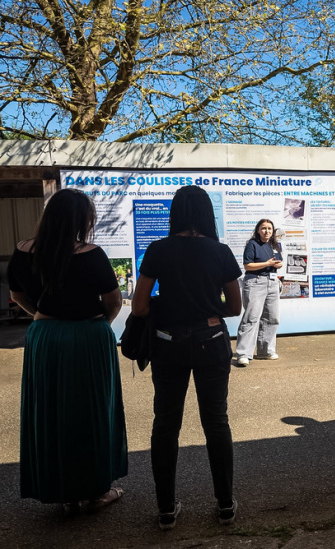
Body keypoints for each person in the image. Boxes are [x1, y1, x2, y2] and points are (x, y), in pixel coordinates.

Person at [7, 188, 127, 514]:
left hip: (44, 336)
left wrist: (43, 314)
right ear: (81, 220)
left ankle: (62, 491)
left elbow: (17, 296)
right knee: (92, 411)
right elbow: (114, 302)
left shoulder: (23, 250)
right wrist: (98, 325)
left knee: (51, 410)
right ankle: (97, 491)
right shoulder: (91, 254)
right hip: (88, 336)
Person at [132, 186, 243, 530]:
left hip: (169, 344)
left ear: (175, 213)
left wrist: (169, 306)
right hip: (211, 340)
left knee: (166, 424)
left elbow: (139, 307)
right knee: (216, 421)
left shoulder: (158, 249)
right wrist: (208, 307)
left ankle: (166, 510)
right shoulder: (220, 251)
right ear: (207, 214)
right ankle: (225, 505)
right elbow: (235, 307)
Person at [235, 219, 284, 366]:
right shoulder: (252, 244)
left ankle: (265, 351)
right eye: (263, 228)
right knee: (251, 318)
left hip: (272, 282)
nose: (267, 231)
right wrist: (267, 263)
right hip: (255, 282)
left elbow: (279, 261)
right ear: (258, 230)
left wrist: (279, 264)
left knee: (272, 317)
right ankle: (243, 354)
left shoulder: (274, 245)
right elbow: (248, 265)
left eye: (269, 228)